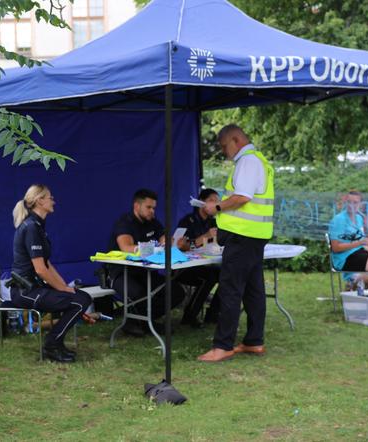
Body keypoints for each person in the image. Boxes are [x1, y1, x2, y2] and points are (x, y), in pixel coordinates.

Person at [197, 124, 274, 363]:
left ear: (236, 140)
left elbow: (242, 197)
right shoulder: (258, 160)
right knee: (253, 291)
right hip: (254, 236)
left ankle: (223, 346)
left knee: (230, 290)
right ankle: (254, 340)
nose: (223, 152)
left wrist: (215, 207)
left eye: (224, 146)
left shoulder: (248, 162)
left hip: (242, 237)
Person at [10, 184, 92, 363]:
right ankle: (51, 344)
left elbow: (47, 264)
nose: (53, 201)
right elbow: (40, 269)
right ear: (40, 201)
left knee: (81, 297)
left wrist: (64, 287)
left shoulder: (37, 225)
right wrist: (62, 288)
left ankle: (56, 342)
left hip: (33, 288)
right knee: (80, 301)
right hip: (24, 292)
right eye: (50, 198)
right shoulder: (31, 227)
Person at [108, 188, 185, 337]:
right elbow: (126, 248)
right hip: (122, 273)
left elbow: (165, 238)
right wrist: (155, 248)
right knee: (139, 294)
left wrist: (170, 242)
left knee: (176, 292)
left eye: (154, 208)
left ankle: (140, 321)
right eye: (149, 207)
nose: (152, 211)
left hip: (145, 271)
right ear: (137, 206)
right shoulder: (125, 222)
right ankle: (142, 323)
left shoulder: (153, 222)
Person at [175, 188, 221, 327]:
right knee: (210, 277)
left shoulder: (213, 222)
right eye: (211, 201)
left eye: (217, 201)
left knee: (226, 274)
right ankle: (189, 316)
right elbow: (182, 246)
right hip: (183, 266)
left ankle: (213, 314)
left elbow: (215, 244)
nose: (214, 204)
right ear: (201, 202)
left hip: (204, 263)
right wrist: (205, 237)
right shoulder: (188, 221)